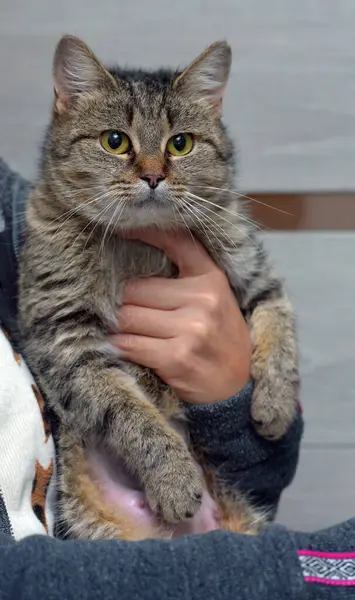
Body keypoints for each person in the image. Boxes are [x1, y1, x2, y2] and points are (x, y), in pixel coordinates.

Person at [0, 158, 352, 600]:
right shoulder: (53, 223)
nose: (151, 171)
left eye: (179, 145)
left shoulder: (16, 217)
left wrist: (230, 396)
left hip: (217, 520)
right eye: (117, 143)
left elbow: (262, 471)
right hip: (109, 529)